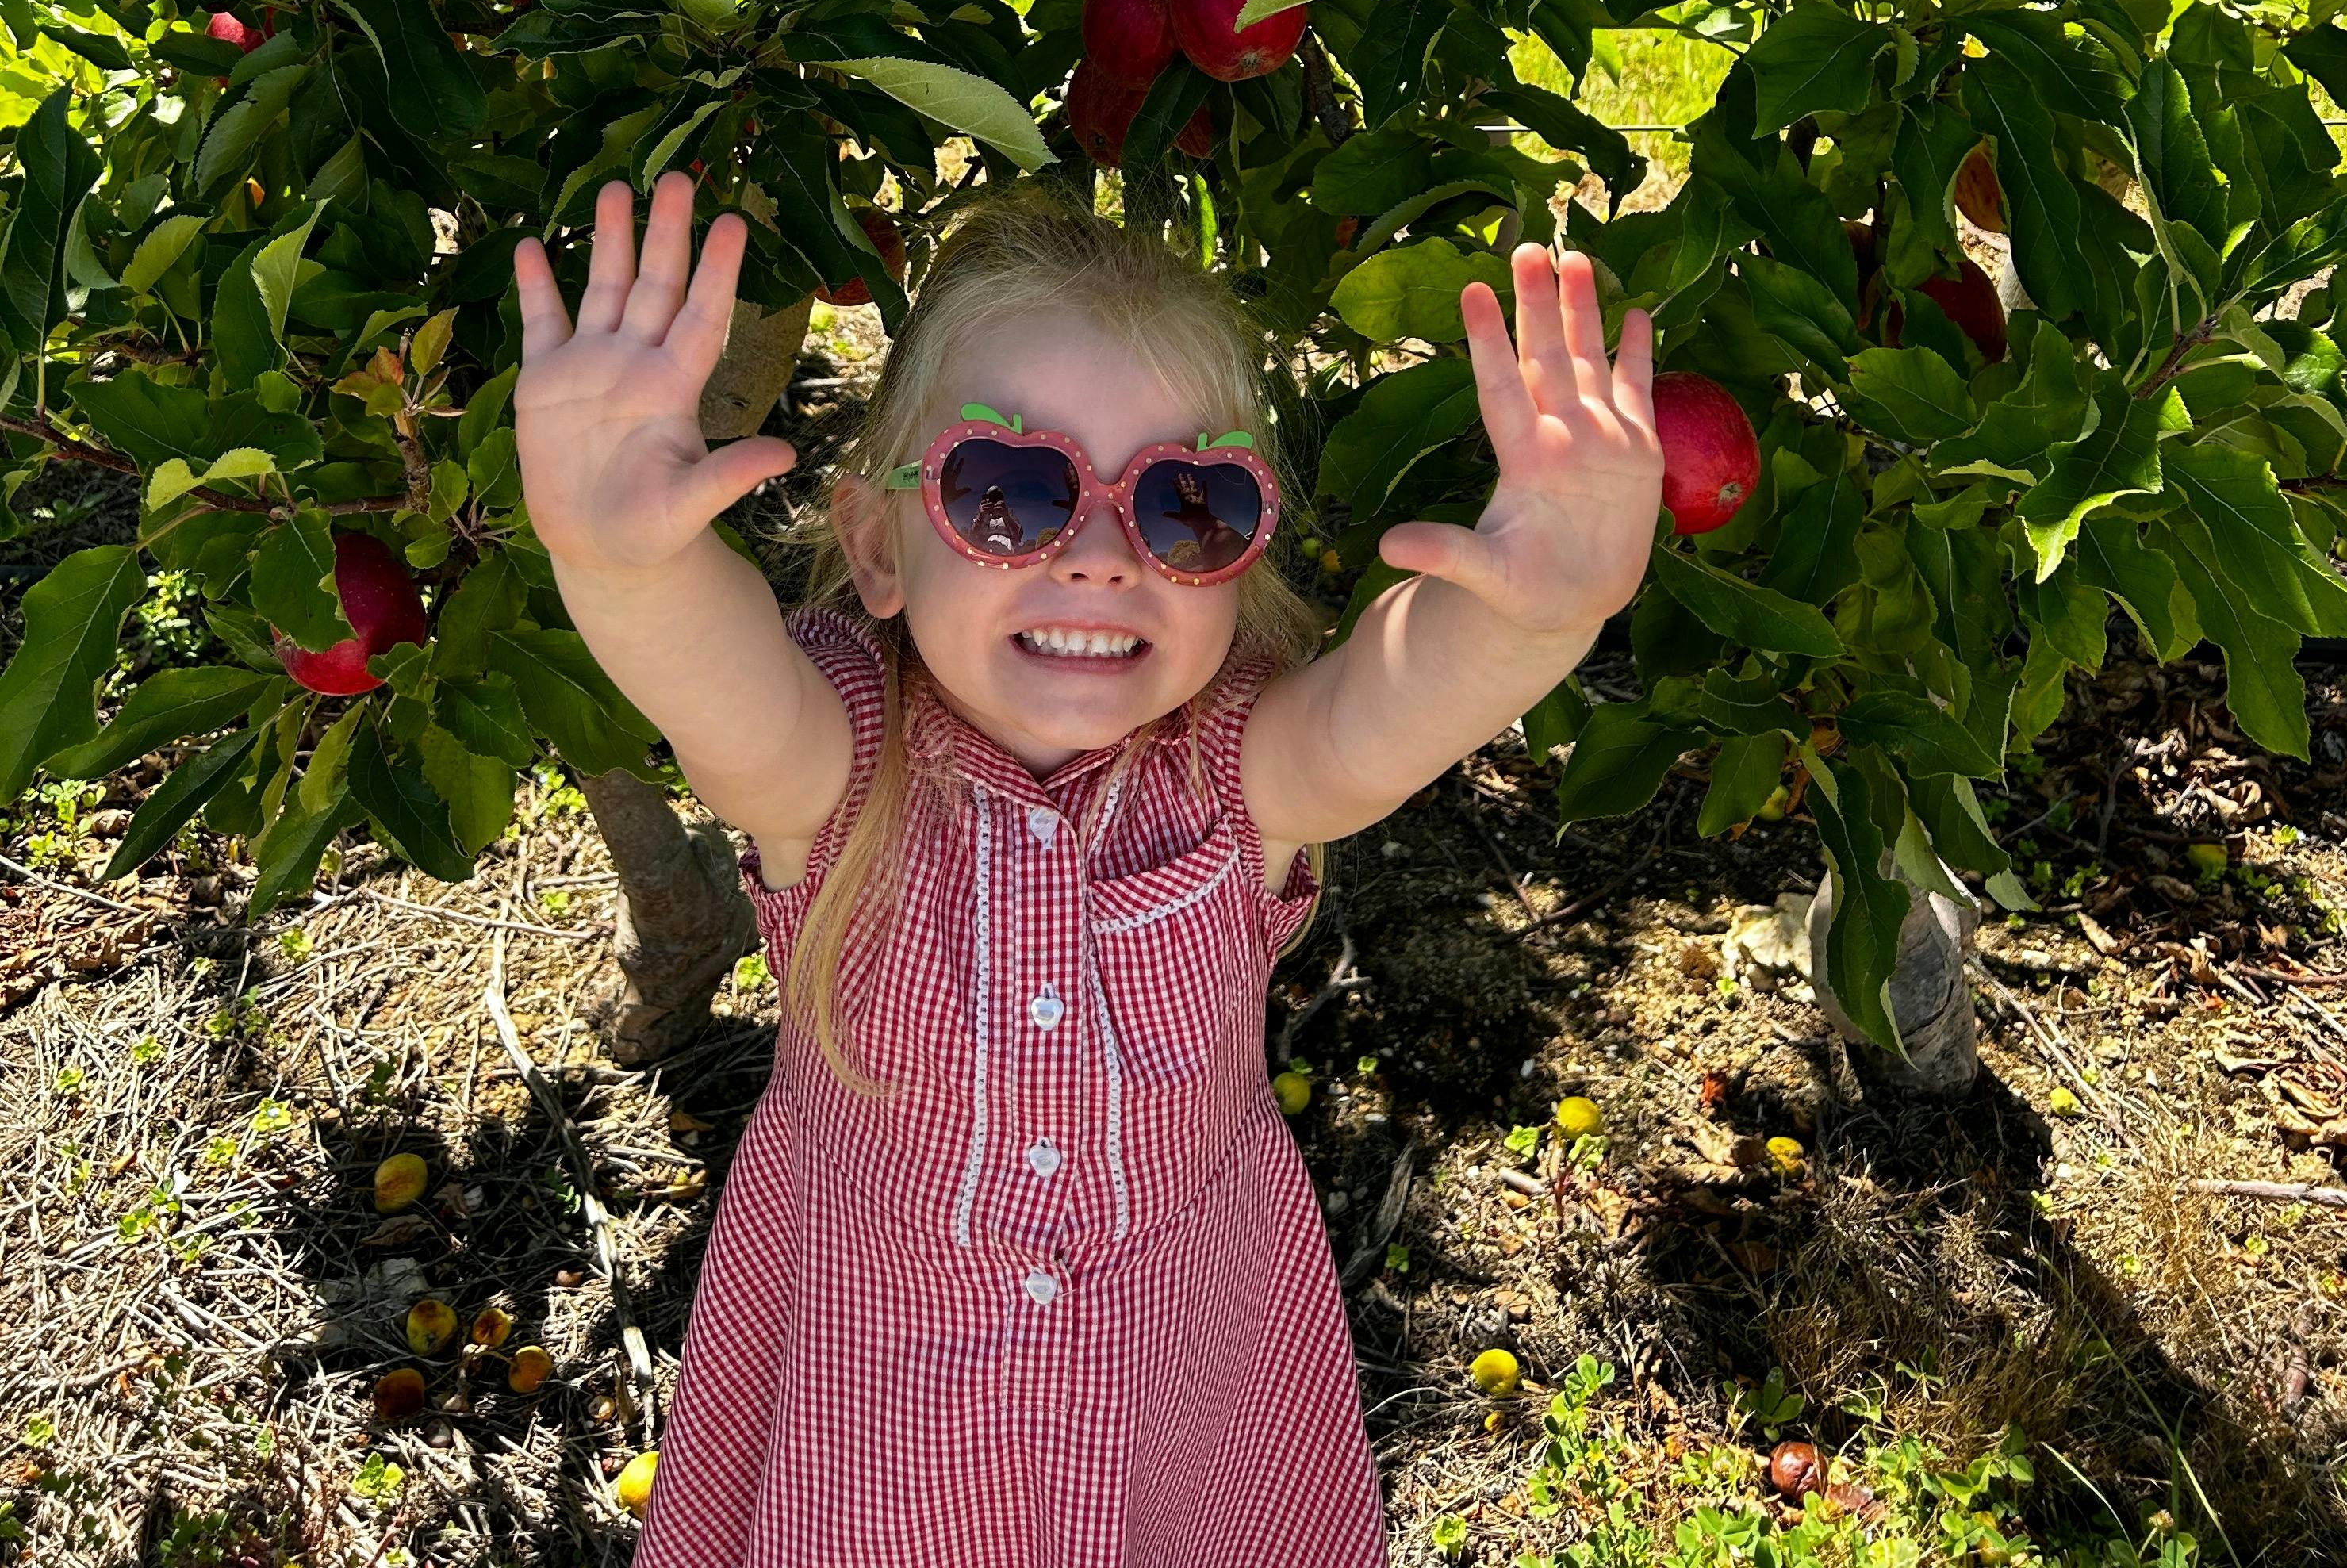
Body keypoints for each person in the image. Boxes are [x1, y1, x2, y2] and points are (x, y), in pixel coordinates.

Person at [512, 172, 1664, 1568]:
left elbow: (1393, 709)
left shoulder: (1245, 765)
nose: (1106, 557)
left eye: (1187, 507)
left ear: (1240, 562)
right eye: (1010, 494)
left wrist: (1551, 603)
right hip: (883, 1414)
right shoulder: (834, 768)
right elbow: (717, 683)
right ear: (876, 545)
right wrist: (614, 558)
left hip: (1177, 1399)